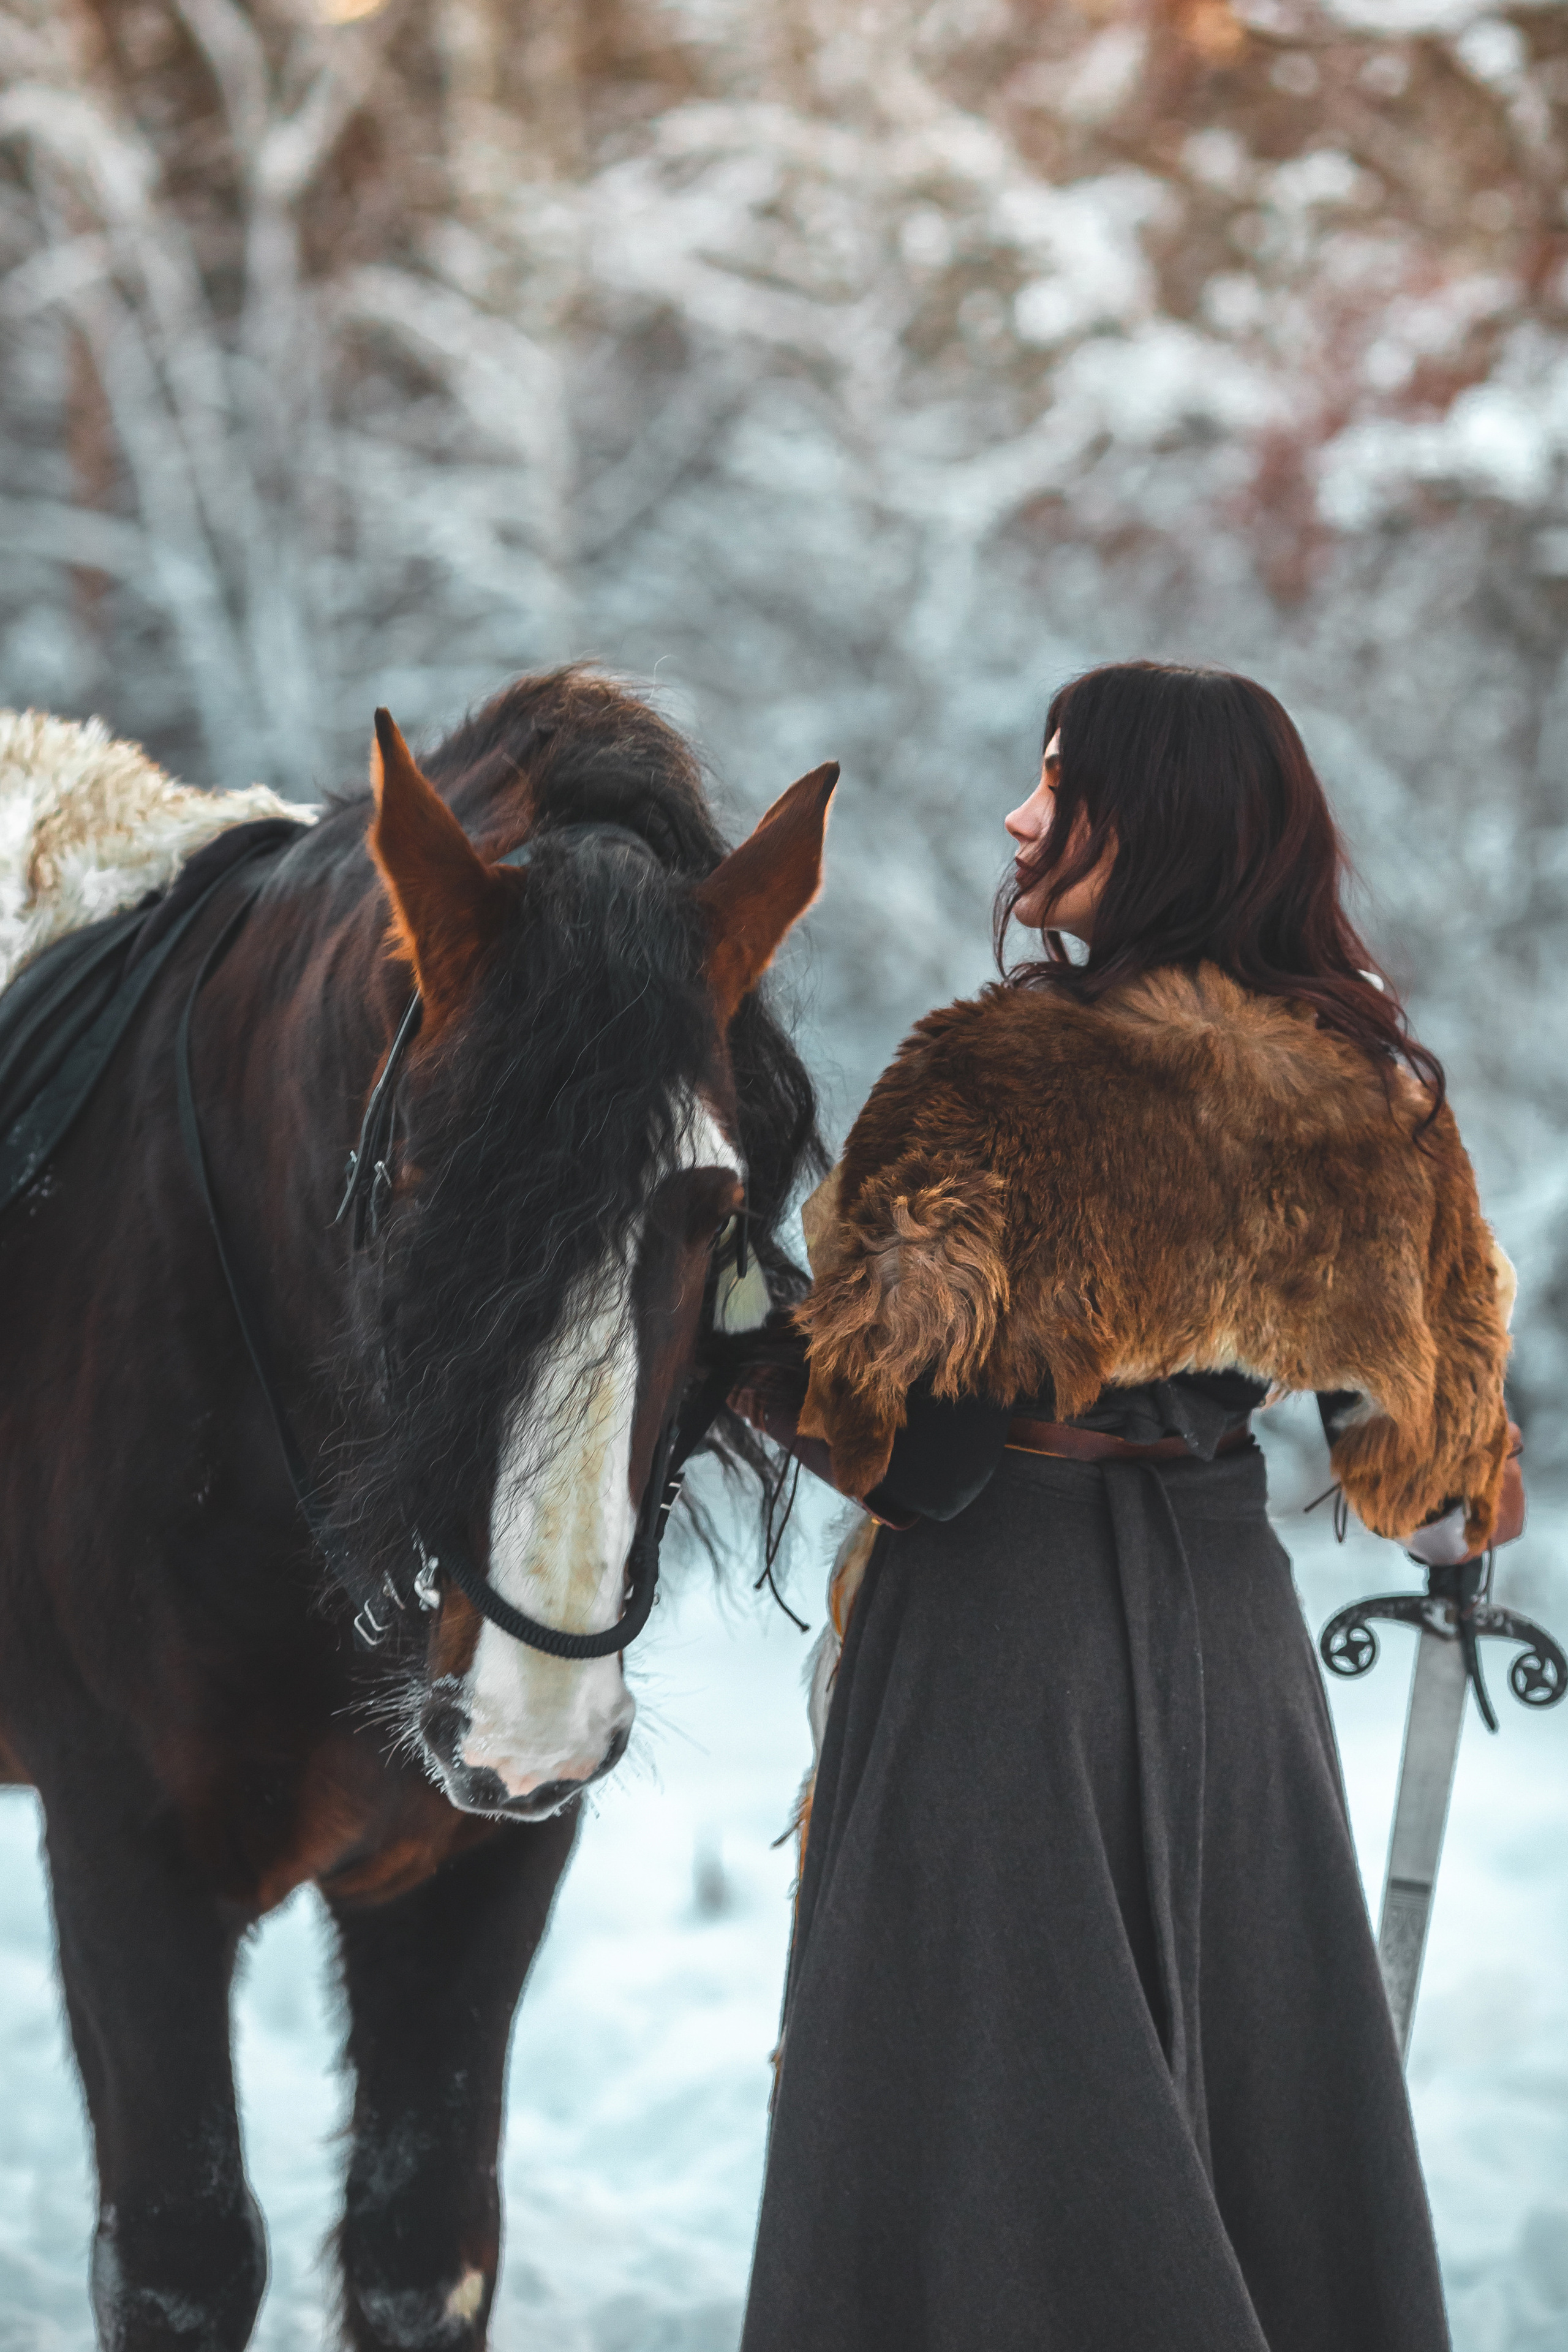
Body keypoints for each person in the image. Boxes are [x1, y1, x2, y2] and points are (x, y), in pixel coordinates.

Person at [731, 661, 1522, 2352]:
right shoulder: (1372, 1095)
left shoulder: (992, 1078)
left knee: (990, 2111)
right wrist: (1461, 1519)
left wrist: (733, 1331)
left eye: (1059, 783)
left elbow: (908, 1451)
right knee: (1256, 2105)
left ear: (1154, 826)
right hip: (1235, 1655)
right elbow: (1435, 1476)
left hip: (1002, 1658)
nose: (1020, 815)